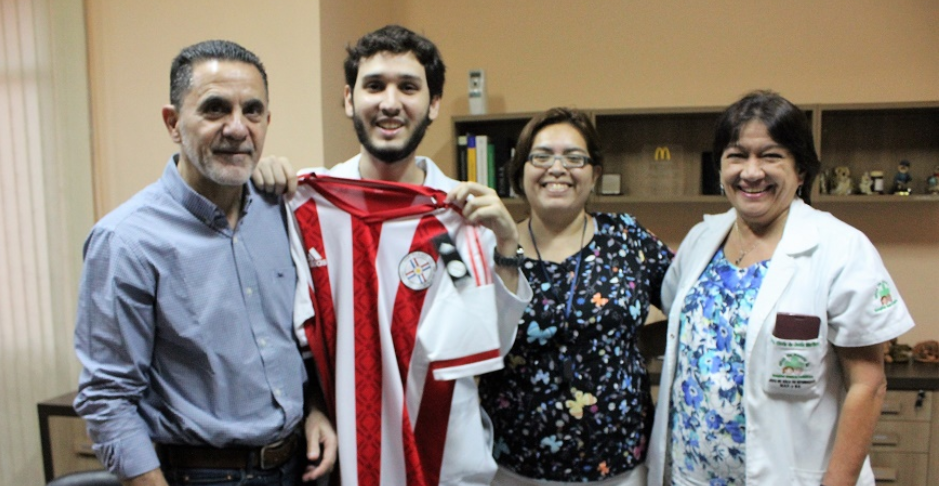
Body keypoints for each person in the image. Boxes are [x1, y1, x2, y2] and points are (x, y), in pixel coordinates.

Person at [253, 25, 532, 486]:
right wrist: (255, 178)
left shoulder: (460, 214)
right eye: (374, 85)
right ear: (348, 99)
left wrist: (505, 245)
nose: (389, 102)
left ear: (433, 104)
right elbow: (286, 337)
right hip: (346, 453)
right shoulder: (305, 207)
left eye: (408, 87)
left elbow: (491, 342)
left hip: (443, 453)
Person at [73, 40, 336, 486]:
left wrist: (314, 408)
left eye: (252, 111)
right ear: (173, 123)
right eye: (215, 109)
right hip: (204, 475)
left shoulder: (284, 213)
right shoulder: (127, 240)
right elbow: (107, 398)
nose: (237, 128)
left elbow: (298, 336)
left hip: (301, 467)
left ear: (267, 122)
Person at [647, 90, 915, 486]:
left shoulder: (839, 248)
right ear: (720, 167)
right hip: (689, 474)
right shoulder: (700, 239)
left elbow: (868, 384)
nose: (751, 172)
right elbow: (683, 332)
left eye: (771, 156)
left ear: (801, 171)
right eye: (737, 155)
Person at [474, 108, 673, 486]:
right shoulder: (492, 247)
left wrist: (638, 345)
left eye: (574, 157)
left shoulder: (627, 238)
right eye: (542, 156)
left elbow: (690, 306)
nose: (558, 168)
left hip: (619, 465)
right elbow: (477, 347)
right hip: (515, 465)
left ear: (595, 173)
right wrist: (504, 252)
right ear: (520, 171)